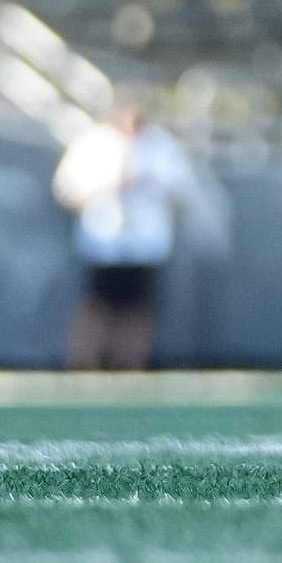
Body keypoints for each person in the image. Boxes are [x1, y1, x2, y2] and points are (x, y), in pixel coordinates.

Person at [55, 97, 213, 373]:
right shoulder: (92, 142)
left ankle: (129, 364)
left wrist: (151, 187)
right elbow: (67, 191)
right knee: (98, 303)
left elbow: (182, 190)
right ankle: (83, 363)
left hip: (145, 242)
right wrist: (107, 188)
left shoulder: (160, 144)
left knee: (137, 306)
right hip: (104, 240)